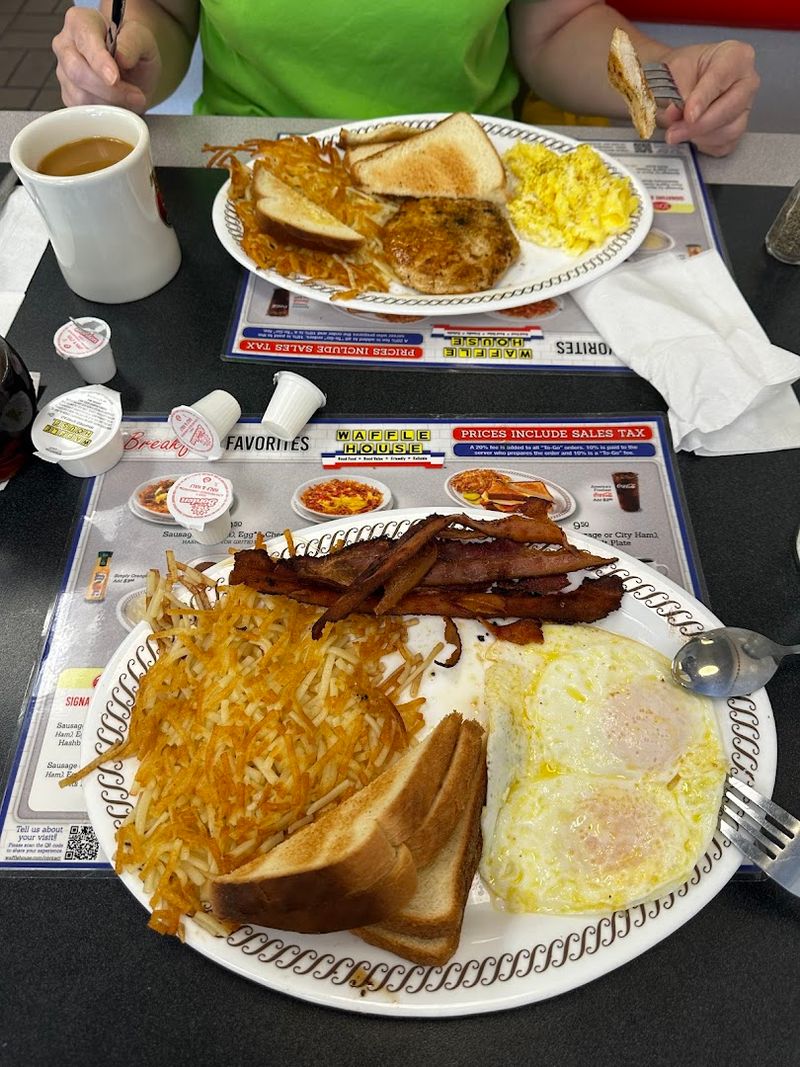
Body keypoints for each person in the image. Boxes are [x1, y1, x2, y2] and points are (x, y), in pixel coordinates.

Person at [52, 0, 759, 157]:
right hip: (253, 174)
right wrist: (132, 48)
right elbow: (165, 16)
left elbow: (554, 25)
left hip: (480, 171)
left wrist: (663, 81)